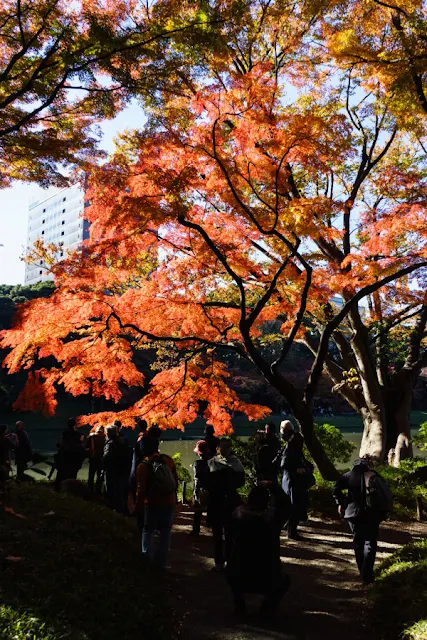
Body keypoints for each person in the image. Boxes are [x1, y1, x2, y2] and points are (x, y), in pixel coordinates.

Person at [227, 486, 290, 616]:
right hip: (267, 577)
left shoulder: (237, 515)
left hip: (238, 573)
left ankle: (240, 607)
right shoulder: (271, 521)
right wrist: (274, 486)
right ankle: (267, 607)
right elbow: (287, 505)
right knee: (285, 580)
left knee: (232, 565)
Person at [333, 457, 391, 585]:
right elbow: (386, 493)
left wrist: (341, 503)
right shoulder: (375, 476)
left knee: (358, 542)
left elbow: (335, 489)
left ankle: (362, 571)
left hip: (353, 514)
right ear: (367, 466)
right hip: (372, 514)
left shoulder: (348, 475)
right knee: (370, 542)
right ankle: (367, 573)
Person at [135, 435, 178, 569]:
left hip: (152, 502)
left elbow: (141, 490)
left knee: (148, 530)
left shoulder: (143, 466)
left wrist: (139, 506)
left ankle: (146, 557)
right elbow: (175, 481)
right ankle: (161, 562)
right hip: (169, 500)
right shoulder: (168, 460)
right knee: (165, 531)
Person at [208, 437, 245, 571]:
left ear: (230, 448)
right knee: (217, 533)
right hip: (216, 501)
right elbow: (207, 481)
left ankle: (230, 561)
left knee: (230, 533)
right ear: (218, 448)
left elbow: (241, 481)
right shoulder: (212, 462)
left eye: (226, 447)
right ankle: (219, 562)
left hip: (229, 501)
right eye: (221, 447)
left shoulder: (235, 462)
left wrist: (228, 482)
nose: (223, 450)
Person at [279, 420, 313, 541]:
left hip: (291, 480)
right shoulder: (291, 446)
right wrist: (297, 469)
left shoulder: (292, 444)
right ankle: (291, 532)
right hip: (292, 480)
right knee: (295, 505)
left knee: (296, 504)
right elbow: (284, 464)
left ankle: (291, 530)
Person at [103, 424, 130, 513]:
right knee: (120, 491)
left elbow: (107, 458)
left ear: (108, 433)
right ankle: (121, 510)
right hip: (122, 470)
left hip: (112, 471)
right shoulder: (123, 442)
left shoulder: (110, 444)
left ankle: (112, 511)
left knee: (111, 491)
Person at [191, 440, 212, 537]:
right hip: (211, 488)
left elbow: (197, 479)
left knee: (198, 511)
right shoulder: (213, 461)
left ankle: (196, 531)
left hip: (202, 489)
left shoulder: (197, 464)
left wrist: (195, 493)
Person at [86, 425, 105, 493]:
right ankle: (98, 490)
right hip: (102, 458)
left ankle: (90, 490)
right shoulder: (105, 437)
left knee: (91, 475)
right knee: (100, 475)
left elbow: (87, 446)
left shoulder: (92, 437)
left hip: (93, 458)